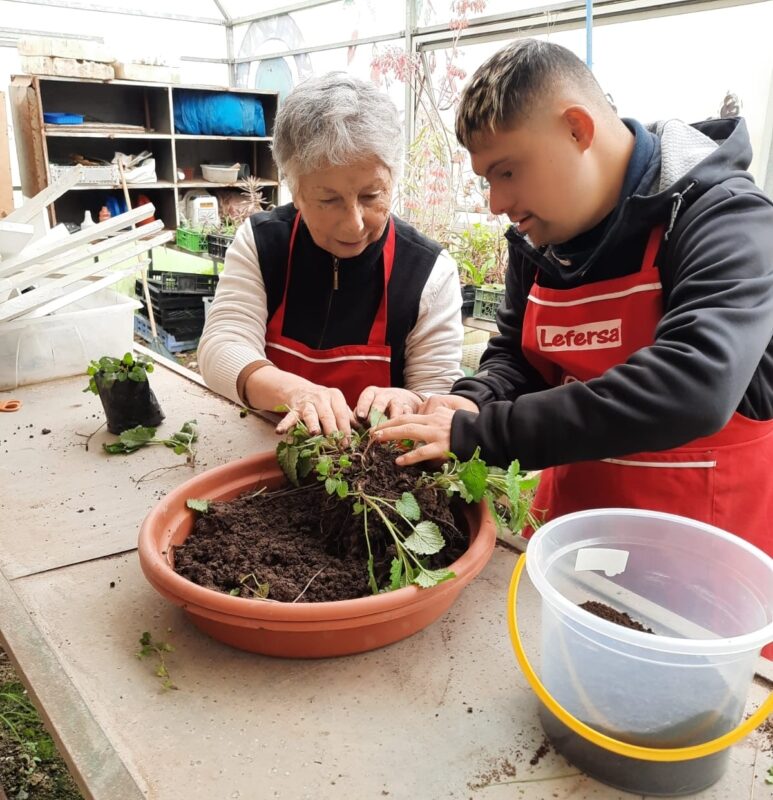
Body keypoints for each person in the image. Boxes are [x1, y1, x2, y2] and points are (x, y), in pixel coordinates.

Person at [374, 38, 773, 557]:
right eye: (487, 180)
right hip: (571, 542)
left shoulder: (725, 219)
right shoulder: (539, 239)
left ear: (577, 129)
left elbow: (696, 384)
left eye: (507, 171)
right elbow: (519, 359)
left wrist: (485, 431)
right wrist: (473, 401)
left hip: (701, 560)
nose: (496, 203)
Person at [199, 72, 463, 438]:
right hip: (270, 446)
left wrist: (414, 400)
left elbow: (438, 392)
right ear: (295, 190)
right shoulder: (263, 243)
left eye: (371, 196)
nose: (354, 224)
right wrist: (293, 392)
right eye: (328, 199)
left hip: (377, 462)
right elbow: (222, 346)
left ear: (393, 179)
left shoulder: (428, 271)